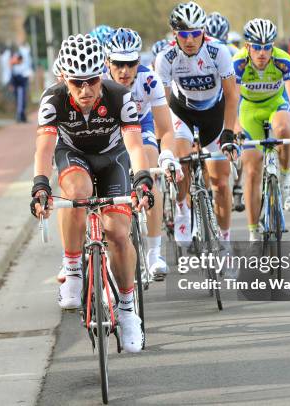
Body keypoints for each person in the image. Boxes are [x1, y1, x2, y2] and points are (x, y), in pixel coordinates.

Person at [31, 34, 153, 353]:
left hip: (112, 158)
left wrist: (142, 179)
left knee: (118, 234)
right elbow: (44, 149)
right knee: (78, 192)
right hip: (72, 156)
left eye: (92, 82)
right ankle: (73, 269)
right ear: (64, 79)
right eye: (76, 83)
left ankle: (127, 312)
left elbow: (134, 145)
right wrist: (40, 184)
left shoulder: (119, 96)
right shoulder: (53, 99)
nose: (85, 91)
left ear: (101, 75)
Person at [155, 1, 239, 243]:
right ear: (175, 34)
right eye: (184, 34)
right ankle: (182, 208)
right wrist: (164, 140)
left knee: (221, 184)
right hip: (182, 112)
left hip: (214, 114)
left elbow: (232, 95)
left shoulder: (218, 52)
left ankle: (225, 241)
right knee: (181, 165)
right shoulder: (166, 58)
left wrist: (230, 132)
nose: (190, 40)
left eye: (195, 33)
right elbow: (163, 102)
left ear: (203, 31)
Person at [105, 27, 182, 280]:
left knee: (147, 173)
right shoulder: (99, 83)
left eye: (130, 64)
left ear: (139, 61)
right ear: (107, 62)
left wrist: (168, 154)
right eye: (118, 64)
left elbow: (166, 129)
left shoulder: (149, 81)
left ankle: (153, 253)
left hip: (141, 126)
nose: (124, 71)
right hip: (109, 131)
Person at [233, 19, 290, 242]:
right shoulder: (238, 62)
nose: (262, 52)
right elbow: (232, 101)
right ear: (247, 46)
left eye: (267, 47)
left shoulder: (283, 60)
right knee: (252, 170)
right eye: (256, 47)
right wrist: (236, 130)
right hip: (248, 109)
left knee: (283, 127)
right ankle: (252, 232)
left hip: (275, 103)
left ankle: (285, 179)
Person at [10, 50, 31, 122]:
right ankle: (19, 117)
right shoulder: (14, 67)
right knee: (19, 102)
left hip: (21, 86)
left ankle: (22, 117)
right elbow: (13, 77)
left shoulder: (23, 66)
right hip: (18, 87)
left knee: (22, 102)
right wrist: (12, 84)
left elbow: (25, 76)